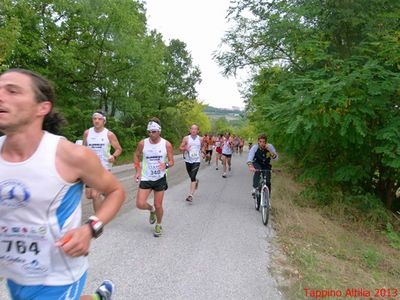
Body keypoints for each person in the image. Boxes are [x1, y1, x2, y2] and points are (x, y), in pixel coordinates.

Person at [0, 68, 125, 299]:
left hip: (58, 276)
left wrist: (90, 229)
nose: (1, 96)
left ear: (42, 107)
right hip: (14, 276)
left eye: (13, 91)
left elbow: (116, 190)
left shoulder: (70, 156)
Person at [134, 118, 174, 237]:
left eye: (154, 131)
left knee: (158, 205)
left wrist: (166, 164)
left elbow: (172, 161)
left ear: (159, 131)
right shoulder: (143, 143)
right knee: (140, 204)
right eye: (149, 131)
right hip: (146, 177)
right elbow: (136, 156)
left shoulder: (166, 144)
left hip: (160, 178)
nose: (151, 134)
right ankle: (151, 210)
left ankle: (159, 224)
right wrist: (138, 170)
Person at [83, 111, 122, 213]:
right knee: (89, 195)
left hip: (103, 167)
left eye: (99, 119)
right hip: (90, 168)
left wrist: (114, 156)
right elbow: (84, 148)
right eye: (94, 118)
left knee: (95, 194)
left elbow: (119, 149)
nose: (96, 121)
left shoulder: (109, 134)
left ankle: (98, 221)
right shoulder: (87, 133)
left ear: (104, 121)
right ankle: (111, 194)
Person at [247, 134, 278, 198]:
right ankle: (255, 188)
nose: (262, 143)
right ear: (258, 141)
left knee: (268, 181)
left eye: (264, 142)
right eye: (260, 141)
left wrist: (270, 150)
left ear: (266, 142)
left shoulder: (270, 146)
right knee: (257, 171)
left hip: (266, 164)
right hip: (257, 163)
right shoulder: (255, 147)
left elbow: (276, 158)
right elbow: (250, 157)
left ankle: (268, 197)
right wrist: (250, 166)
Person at [179, 124, 203, 202]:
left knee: (192, 177)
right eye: (192, 129)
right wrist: (185, 148)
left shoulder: (200, 139)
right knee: (191, 176)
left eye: (195, 129)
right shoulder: (186, 138)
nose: (193, 130)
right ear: (190, 130)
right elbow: (180, 148)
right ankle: (196, 181)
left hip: (196, 160)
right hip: (188, 160)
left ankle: (190, 195)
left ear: (198, 131)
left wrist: (203, 152)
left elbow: (202, 147)